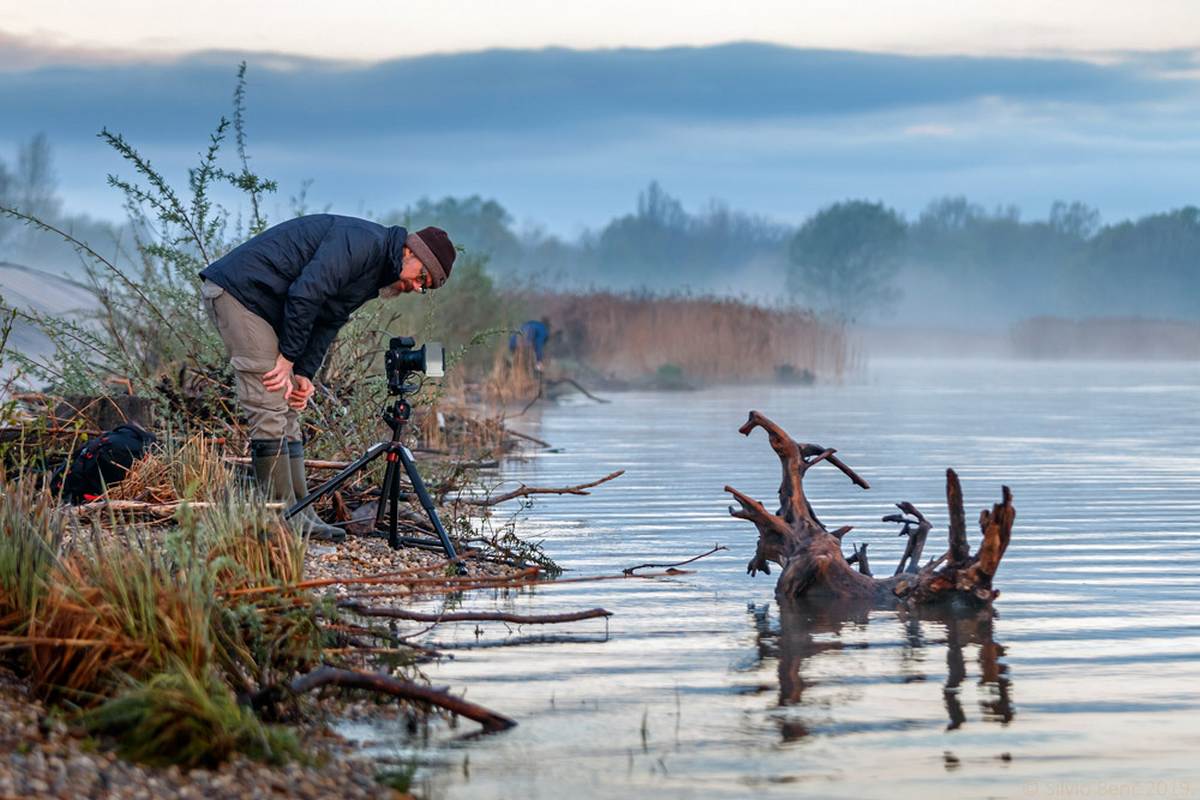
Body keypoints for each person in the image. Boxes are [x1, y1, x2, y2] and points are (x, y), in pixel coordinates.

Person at [198, 214, 456, 541]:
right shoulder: (361, 242)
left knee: (289, 406)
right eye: (421, 278)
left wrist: (304, 372)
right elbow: (306, 293)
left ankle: (300, 512)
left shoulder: (378, 269)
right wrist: (287, 357)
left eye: (424, 288)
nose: (417, 287)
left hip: (266, 304)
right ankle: (278, 519)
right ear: (410, 252)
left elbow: (330, 317)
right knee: (268, 401)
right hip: (241, 293)